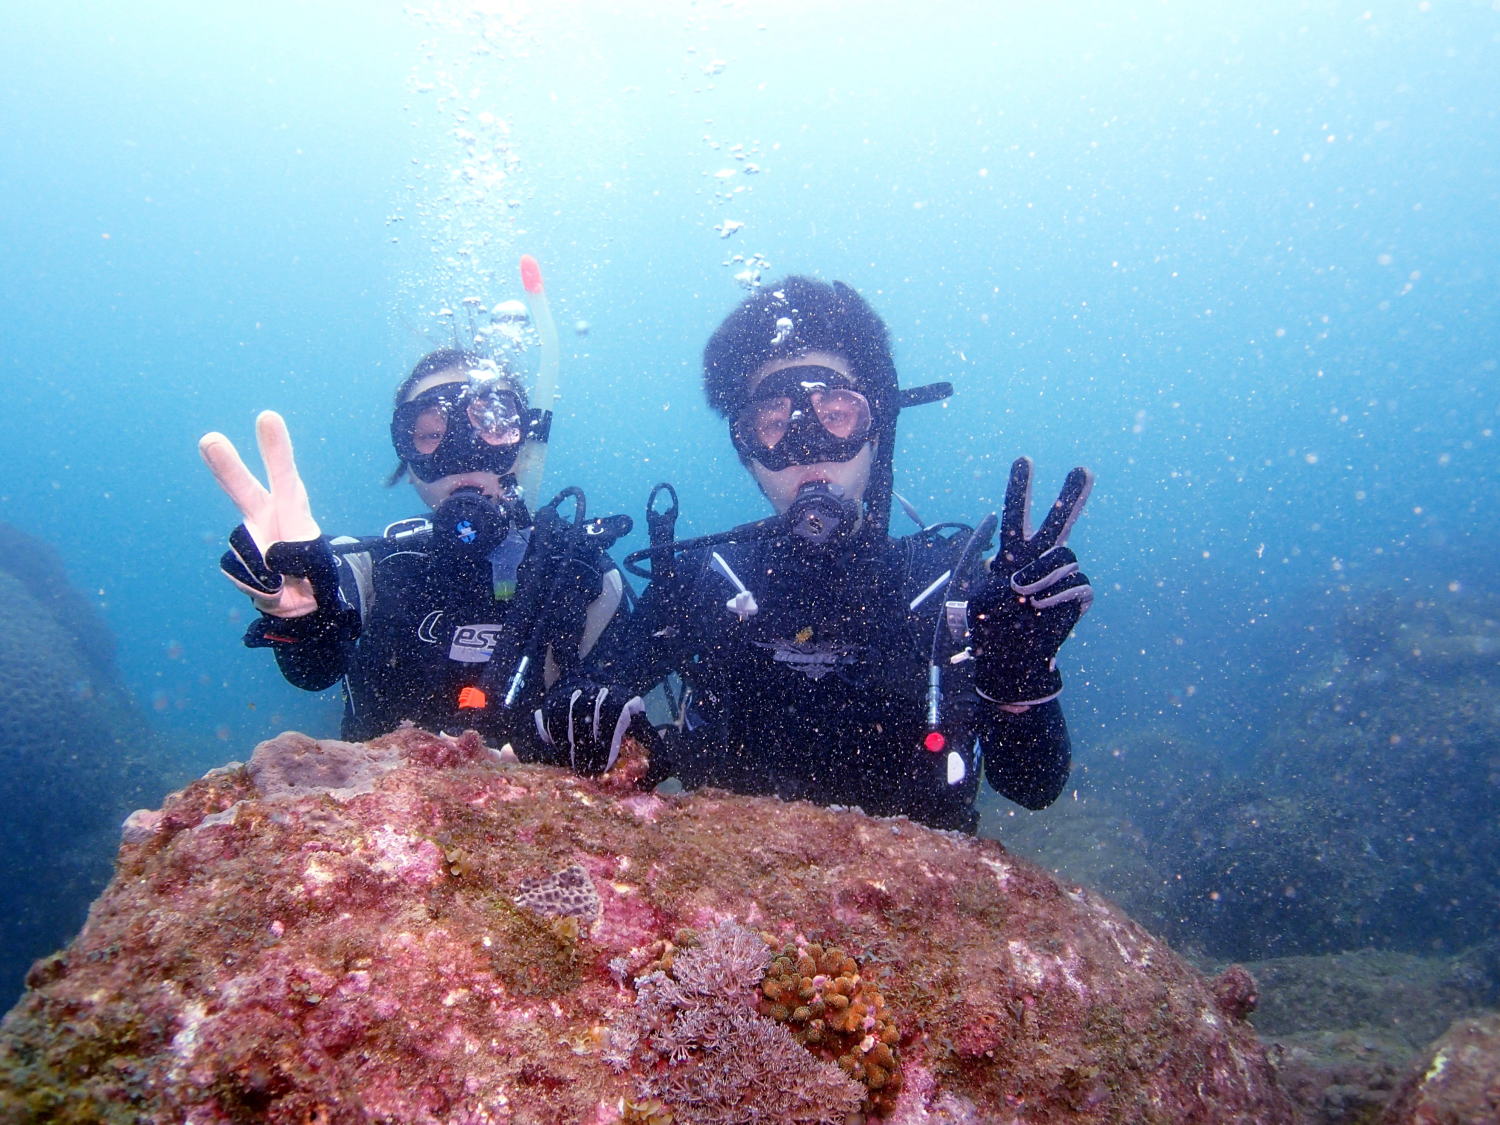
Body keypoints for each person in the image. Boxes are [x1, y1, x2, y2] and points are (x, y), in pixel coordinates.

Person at [532, 277, 1093, 833]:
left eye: (836, 413)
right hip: (733, 885)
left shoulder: (948, 588)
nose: (809, 448)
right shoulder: (707, 581)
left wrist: (1021, 677)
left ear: (877, 428)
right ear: (746, 450)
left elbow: (1032, 787)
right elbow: (598, 687)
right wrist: (592, 712)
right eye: (774, 424)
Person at [200, 347, 628, 746]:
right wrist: (302, 616)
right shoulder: (370, 567)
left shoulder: (585, 578)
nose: (464, 453)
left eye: (491, 426)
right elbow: (314, 671)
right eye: (431, 434)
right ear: (406, 462)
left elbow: (627, 718)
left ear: (524, 448)